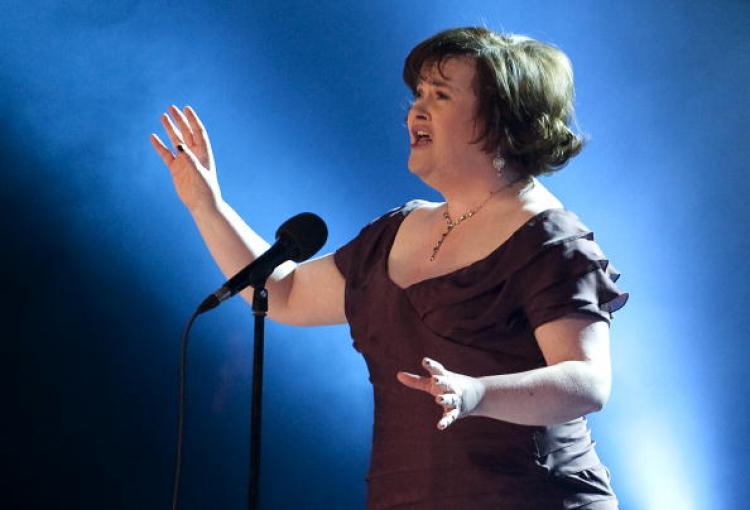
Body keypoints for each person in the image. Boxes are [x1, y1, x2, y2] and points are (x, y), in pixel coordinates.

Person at [151, 27, 627, 510]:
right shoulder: (396, 232)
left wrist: (477, 393)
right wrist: (206, 205)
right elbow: (284, 293)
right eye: (418, 94)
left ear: (504, 120)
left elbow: (587, 381)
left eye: (440, 95)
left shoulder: (548, 240)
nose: (416, 110)